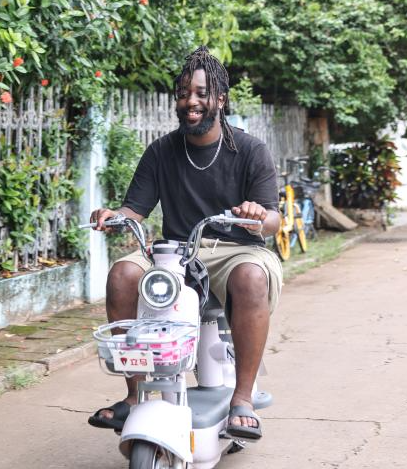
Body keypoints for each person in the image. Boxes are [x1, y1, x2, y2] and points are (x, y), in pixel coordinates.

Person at [87, 46, 282, 440]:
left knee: (251, 277)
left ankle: (242, 399)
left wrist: (257, 217)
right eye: (183, 94)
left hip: (237, 250)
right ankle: (135, 395)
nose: (190, 101)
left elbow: (274, 221)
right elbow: (134, 210)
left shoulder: (250, 151)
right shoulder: (162, 151)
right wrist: (114, 216)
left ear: (220, 99)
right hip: (177, 252)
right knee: (123, 273)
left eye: (201, 93)